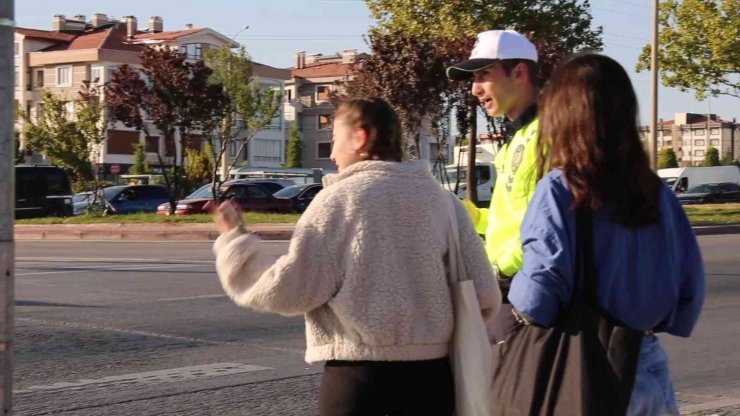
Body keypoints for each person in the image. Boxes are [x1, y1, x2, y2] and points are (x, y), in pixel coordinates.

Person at [212, 97, 501, 415]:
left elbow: (289, 290)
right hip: (431, 382)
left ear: (360, 137)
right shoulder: (444, 203)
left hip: (358, 382)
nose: (333, 154)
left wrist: (234, 242)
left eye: (335, 140)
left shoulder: (337, 201)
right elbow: (484, 292)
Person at [509, 53, 705, 415]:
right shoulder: (656, 192)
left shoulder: (560, 189)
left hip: (587, 371)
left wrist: (509, 303)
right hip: (647, 365)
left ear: (562, 115)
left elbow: (540, 292)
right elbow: (690, 288)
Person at [446, 29, 541, 341]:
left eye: (484, 75)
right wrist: (471, 216)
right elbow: (514, 216)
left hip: (522, 289)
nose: (474, 89)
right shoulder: (517, 137)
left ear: (519, 72)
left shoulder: (547, 133)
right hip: (508, 287)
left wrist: (504, 268)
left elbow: (552, 225)